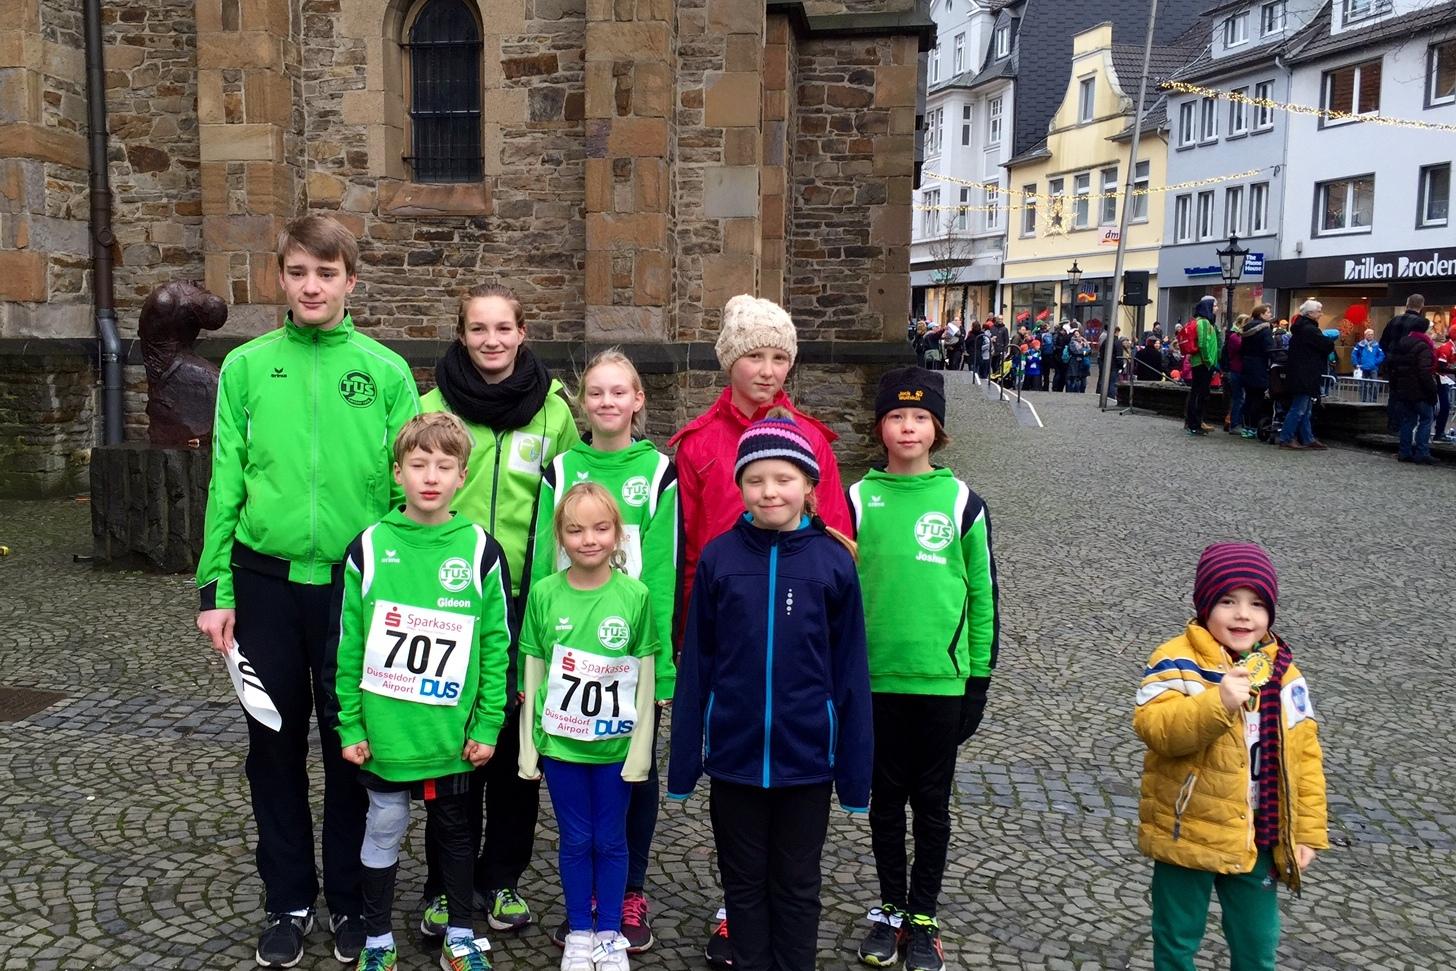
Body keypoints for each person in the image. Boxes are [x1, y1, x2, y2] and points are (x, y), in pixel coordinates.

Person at [195, 214, 420, 967]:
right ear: (281, 278)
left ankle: (353, 898)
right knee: (274, 748)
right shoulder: (248, 367)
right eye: (299, 272)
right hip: (264, 588)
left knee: (353, 747)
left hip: (358, 589)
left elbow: (410, 488)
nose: (312, 285)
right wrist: (212, 587)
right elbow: (226, 478)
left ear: (351, 281)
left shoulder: (387, 373)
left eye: (327, 273)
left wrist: (403, 589)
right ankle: (288, 898)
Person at [668, 294, 852, 966]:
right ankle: (736, 917)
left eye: (780, 356)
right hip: (724, 632)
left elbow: (837, 543)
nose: (768, 368)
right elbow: (683, 551)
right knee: (740, 825)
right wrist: (683, 644)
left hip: (797, 642)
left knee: (793, 857)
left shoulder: (814, 444)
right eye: (755, 354)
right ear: (730, 361)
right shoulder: (695, 443)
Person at [419, 283, 582, 937]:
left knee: (518, 744)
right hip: (451, 599)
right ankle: (441, 883)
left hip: (525, 597)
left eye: (503, 328)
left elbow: (575, 499)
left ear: (522, 332)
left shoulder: (555, 412)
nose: (491, 340)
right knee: (451, 743)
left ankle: (502, 877)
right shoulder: (431, 404)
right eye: (478, 328)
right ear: (461, 333)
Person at [326, 412, 512, 971]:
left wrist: (487, 723)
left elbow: (496, 645)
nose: (431, 476)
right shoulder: (369, 546)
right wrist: (351, 724)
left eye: (444, 466)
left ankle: (459, 936)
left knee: (456, 834)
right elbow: (348, 644)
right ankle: (378, 940)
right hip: (387, 732)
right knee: (382, 826)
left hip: (451, 736)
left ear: (462, 475)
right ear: (398, 472)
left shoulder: (480, 550)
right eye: (418, 464)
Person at [523, 350, 680, 952]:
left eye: (620, 392)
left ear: (639, 400)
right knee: (570, 771)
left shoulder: (659, 472)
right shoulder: (561, 470)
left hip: (630, 659)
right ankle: (585, 901)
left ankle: (628, 890)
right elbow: (541, 565)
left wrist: (661, 664)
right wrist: (526, 667)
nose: (608, 402)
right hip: (568, 655)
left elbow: (661, 577)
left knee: (633, 774)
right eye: (596, 392)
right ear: (582, 402)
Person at [849, 369, 999, 971]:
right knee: (884, 803)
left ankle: (923, 916)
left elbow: (983, 596)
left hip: (940, 682)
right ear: (880, 426)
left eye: (919, 417)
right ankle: (888, 908)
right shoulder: (857, 498)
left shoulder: (964, 502)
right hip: (875, 680)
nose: (907, 427)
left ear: (937, 428)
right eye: (896, 416)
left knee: (931, 804)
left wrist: (978, 679)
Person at [1135, 542, 1328, 971]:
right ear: (1205, 605)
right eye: (1228, 601)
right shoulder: (1174, 661)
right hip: (1185, 831)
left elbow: (1305, 758)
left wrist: (1306, 832)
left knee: (1258, 943)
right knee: (1176, 939)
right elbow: (1156, 728)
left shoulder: (1285, 674)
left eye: (1257, 604)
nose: (1243, 615)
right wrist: (1217, 702)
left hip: (1257, 834)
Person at [518, 482, 665, 971]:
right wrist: (527, 745)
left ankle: (610, 935)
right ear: (559, 536)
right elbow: (533, 671)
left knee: (612, 839)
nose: (589, 539)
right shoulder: (543, 594)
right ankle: (580, 929)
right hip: (562, 747)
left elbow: (645, 675)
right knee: (576, 839)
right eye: (576, 529)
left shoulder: (635, 596)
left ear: (618, 535)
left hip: (614, 749)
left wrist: (642, 747)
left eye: (601, 528)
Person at [1278, 301, 1335, 451]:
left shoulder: (1301, 328)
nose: (1321, 314)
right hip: (1305, 374)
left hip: (1303, 372)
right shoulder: (1309, 330)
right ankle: (1286, 437)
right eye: (1319, 311)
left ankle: (1307, 437)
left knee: (1305, 408)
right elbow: (1327, 345)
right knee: (1299, 408)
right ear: (1310, 313)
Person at [1388, 317, 1439, 464]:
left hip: (1403, 389)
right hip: (1419, 390)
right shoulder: (1424, 347)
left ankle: (1404, 452)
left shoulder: (1401, 344)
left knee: (1407, 421)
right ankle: (1422, 452)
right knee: (1425, 419)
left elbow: (1393, 368)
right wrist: (1432, 391)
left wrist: (1395, 387)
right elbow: (1424, 371)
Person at [1182, 298, 1220, 436]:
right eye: (1214, 306)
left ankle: (1196, 422)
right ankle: (1194, 423)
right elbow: (1203, 343)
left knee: (1199, 393)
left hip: (1202, 362)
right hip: (1202, 363)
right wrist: (1209, 360)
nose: (1217, 308)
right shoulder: (1203, 322)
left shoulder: (1205, 322)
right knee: (1199, 393)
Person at [1239, 305, 1274, 440]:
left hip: (1247, 365)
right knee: (1257, 398)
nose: (1270, 315)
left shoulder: (1247, 328)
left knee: (1248, 397)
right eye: (1268, 312)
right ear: (1261, 314)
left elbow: (1242, 349)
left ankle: (1246, 426)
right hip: (1259, 365)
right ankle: (1253, 427)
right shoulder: (1265, 329)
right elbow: (1269, 348)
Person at [1221, 314, 1247, 434]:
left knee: (1238, 398)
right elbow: (1240, 349)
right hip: (1235, 369)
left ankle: (1234, 422)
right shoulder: (1234, 337)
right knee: (1238, 398)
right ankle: (1234, 423)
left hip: (1236, 369)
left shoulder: (1234, 336)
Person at [1350, 328, 1384, 403]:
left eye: (1372, 334)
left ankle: (1374, 400)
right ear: (1365, 335)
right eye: (1369, 334)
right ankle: (1363, 400)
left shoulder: (1376, 345)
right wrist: (1356, 364)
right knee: (1362, 385)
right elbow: (1354, 354)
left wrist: (1376, 362)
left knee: (1374, 385)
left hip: (1373, 368)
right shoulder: (1360, 344)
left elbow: (1381, 355)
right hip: (1362, 368)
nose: (1371, 336)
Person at [1434, 324, 1455, 442]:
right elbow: (1441, 367)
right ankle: (1438, 433)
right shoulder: (1447, 347)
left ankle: (1439, 432)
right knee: (1444, 407)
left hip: (1445, 380)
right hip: (1440, 380)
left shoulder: (1451, 347)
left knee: (1445, 407)